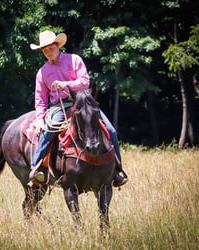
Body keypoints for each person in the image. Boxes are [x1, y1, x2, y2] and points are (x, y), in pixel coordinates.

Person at [29, 30, 128, 187]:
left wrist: (66, 85)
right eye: (45, 50)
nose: (48, 52)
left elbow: (85, 82)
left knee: (111, 131)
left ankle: (116, 170)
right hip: (59, 107)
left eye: (51, 48)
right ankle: (37, 168)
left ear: (57, 45)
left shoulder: (74, 60)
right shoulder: (42, 73)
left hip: (83, 102)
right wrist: (40, 120)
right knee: (47, 131)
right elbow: (40, 100)